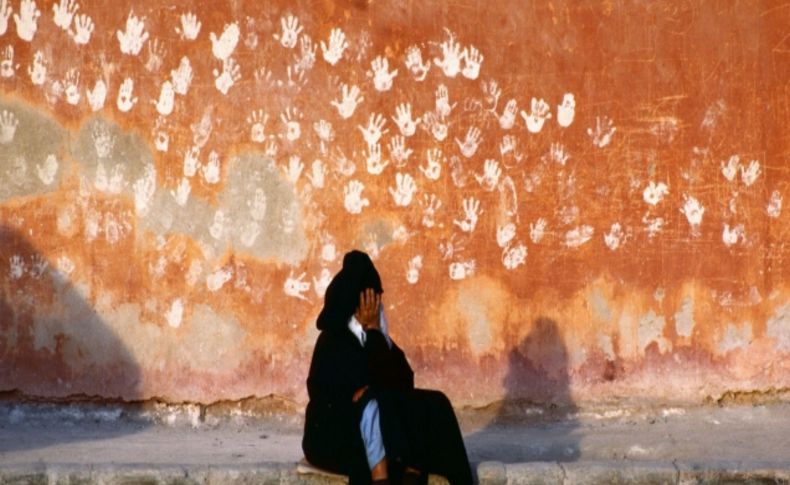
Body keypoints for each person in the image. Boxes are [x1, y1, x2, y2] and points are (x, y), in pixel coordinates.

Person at [303, 250, 473, 485]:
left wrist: (374, 334)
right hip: (336, 437)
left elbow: (403, 382)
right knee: (373, 404)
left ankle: (433, 476)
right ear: (357, 305)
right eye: (371, 301)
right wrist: (372, 338)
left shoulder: (377, 338)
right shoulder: (333, 341)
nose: (377, 308)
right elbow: (348, 394)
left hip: (378, 431)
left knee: (435, 403)